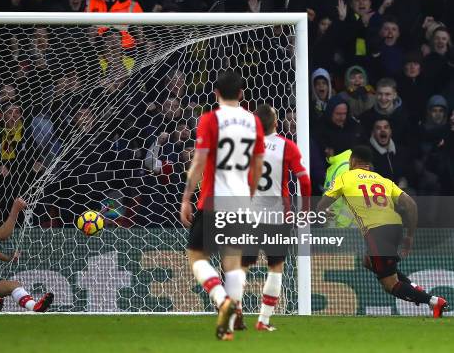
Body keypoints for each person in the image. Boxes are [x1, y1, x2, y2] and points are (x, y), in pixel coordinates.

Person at [179, 70, 264, 340]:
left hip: (214, 199)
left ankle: (222, 299)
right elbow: (259, 166)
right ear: (241, 94)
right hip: (241, 200)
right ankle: (231, 323)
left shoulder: (210, 119)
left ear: (216, 94)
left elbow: (199, 162)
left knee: (196, 256)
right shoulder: (254, 122)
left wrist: (186, 197)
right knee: (233, 261)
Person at [317, 146, 448, 318]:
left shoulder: (345, 177)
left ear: (353, 161)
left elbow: (321, 205)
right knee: (368, 262)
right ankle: (417, 291)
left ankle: (433, 301)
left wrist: (323, 212)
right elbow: (411, 205)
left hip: (377, 232)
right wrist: (409, 236)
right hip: (395, 227)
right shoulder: (382, 180)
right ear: (368, 164)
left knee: (389, 284)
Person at [237, 104, 311, 332]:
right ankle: (263, 321)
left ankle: (236, 312)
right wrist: (306, 209)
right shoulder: (286, 146)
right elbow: (305, 181)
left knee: (241, 266)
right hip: (278, 215)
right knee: (275, 266)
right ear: (276, 123)